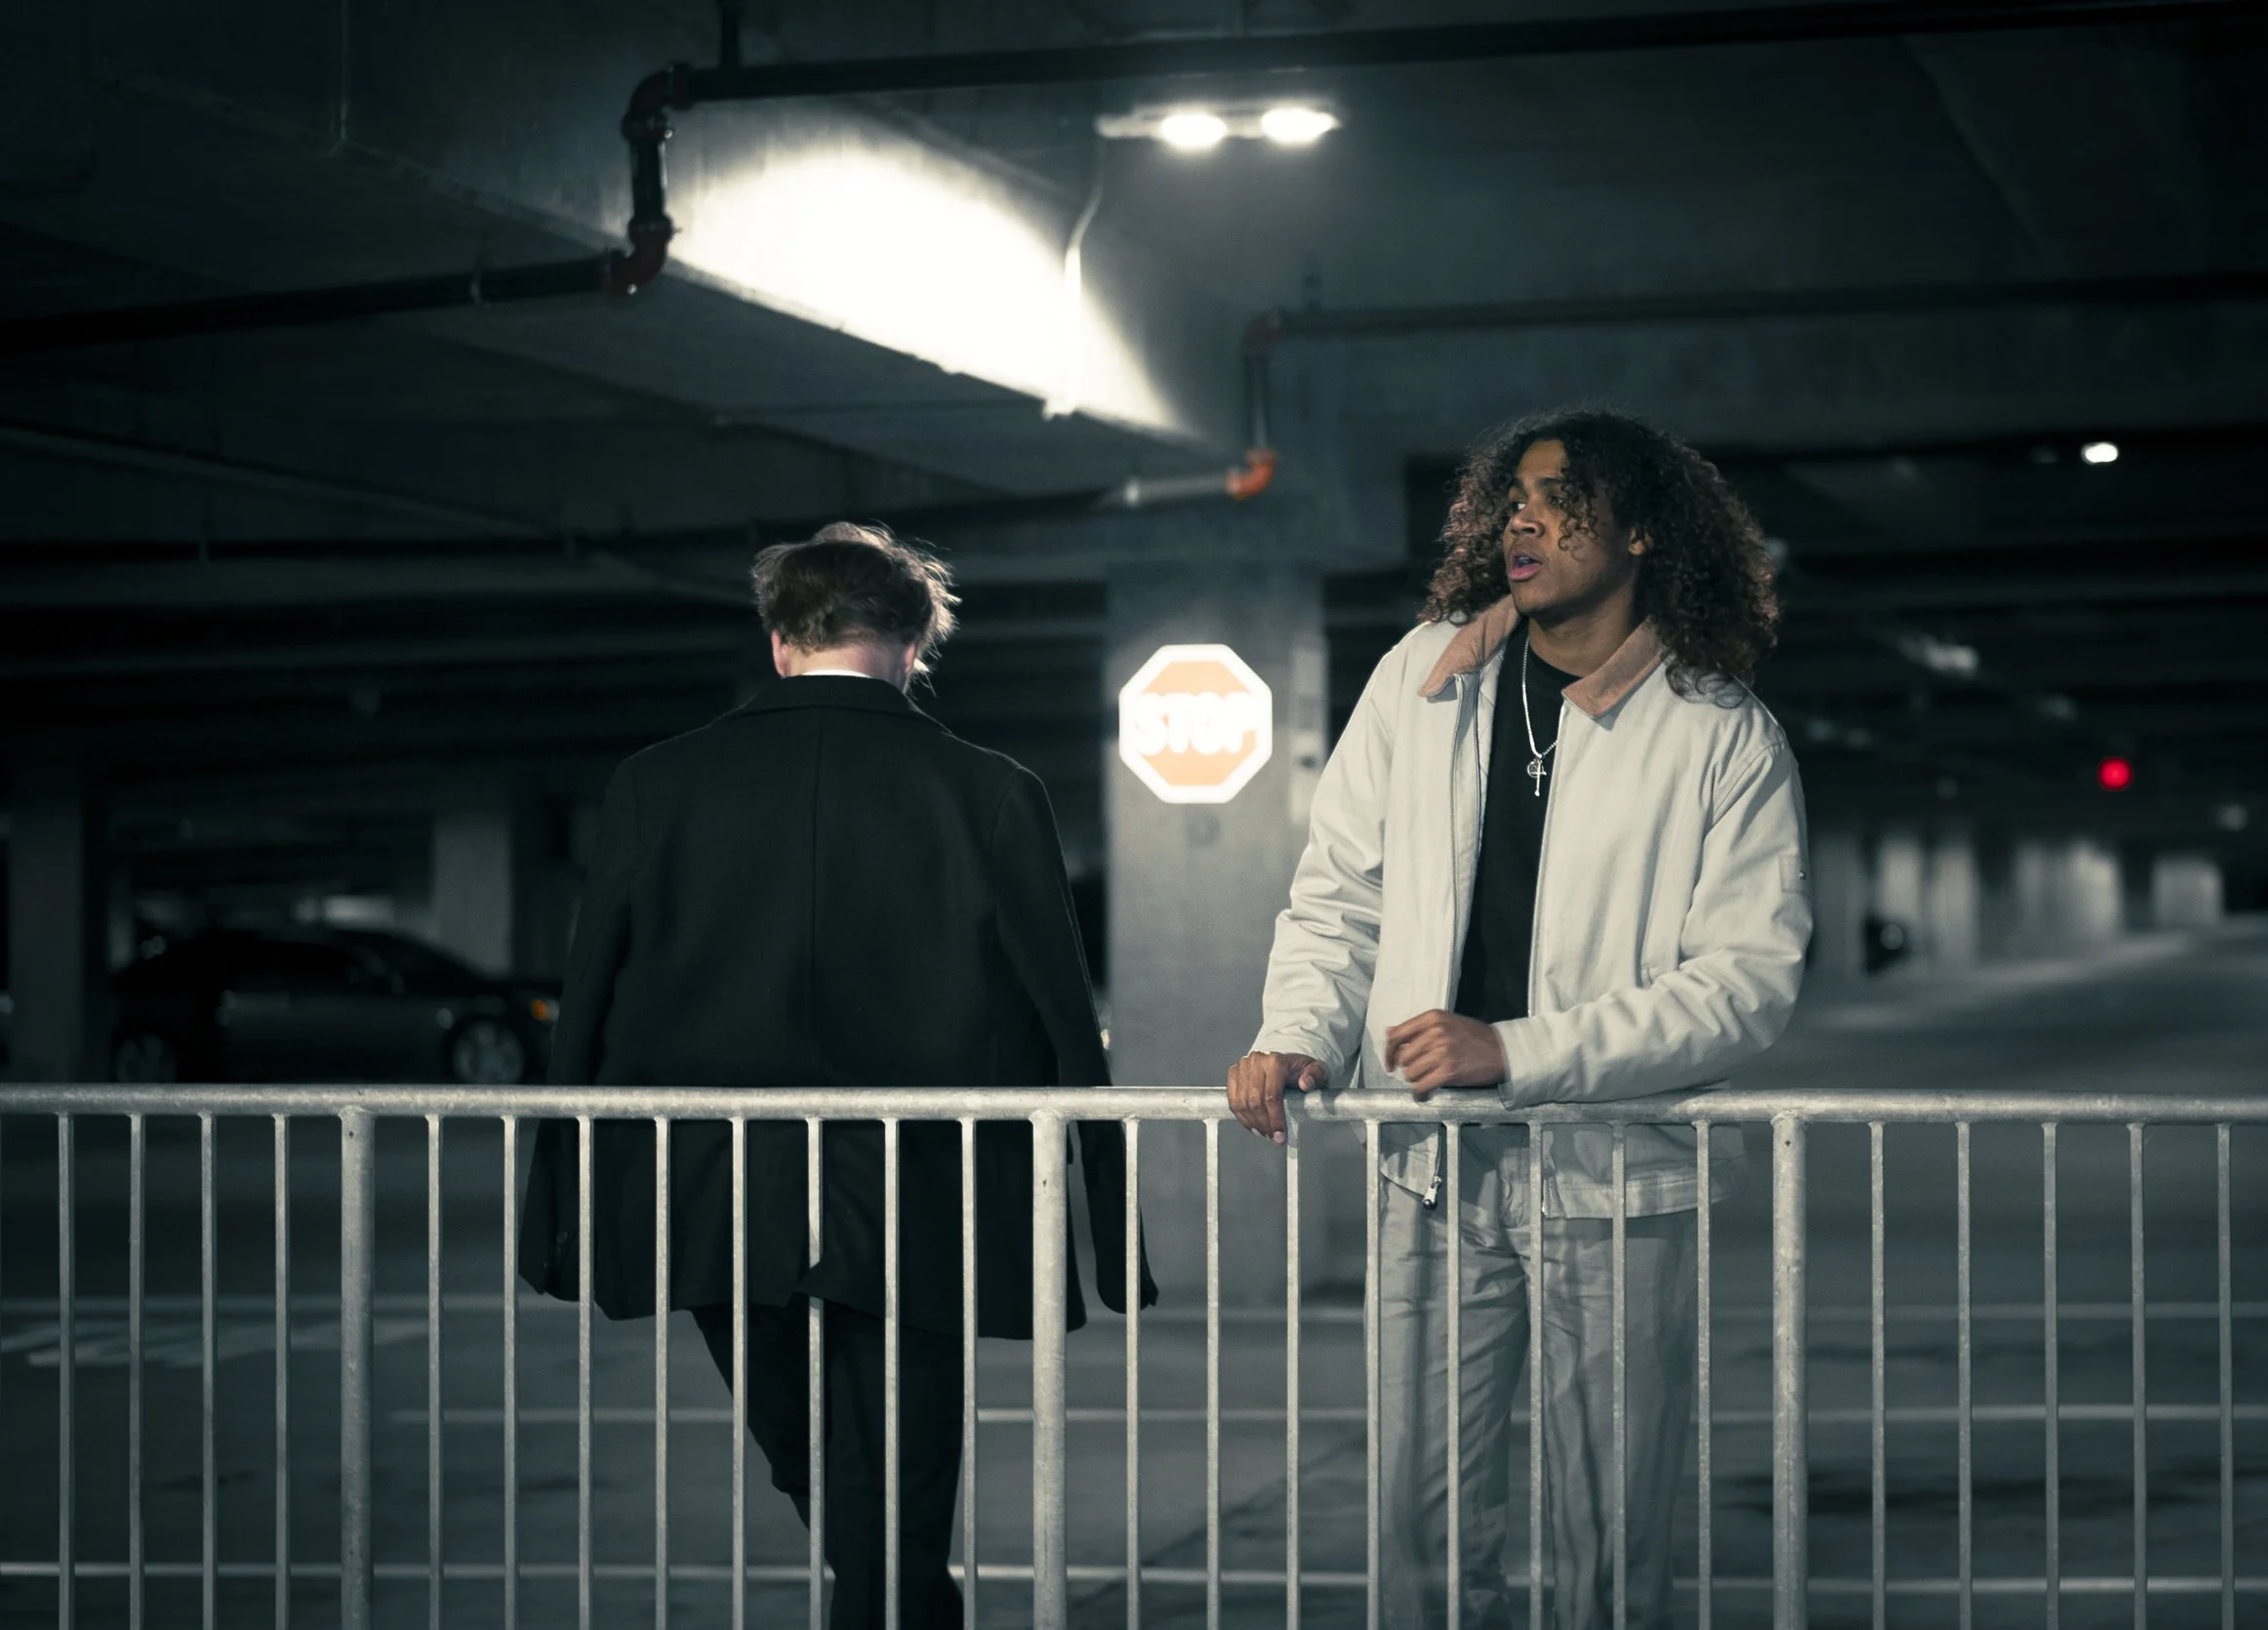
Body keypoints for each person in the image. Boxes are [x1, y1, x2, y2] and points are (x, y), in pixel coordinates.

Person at [1228, 410, 1810, 1627]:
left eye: (1562, 497)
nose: (1523, 520)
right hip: (1431, 1164)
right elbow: (1344, 888)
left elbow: (1744, 980)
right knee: (1417, 1508)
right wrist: (1300, 1027)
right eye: (1514, 498)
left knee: (1611, 1510)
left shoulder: (1719, 734)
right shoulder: (1424, 676)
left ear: (1645, 529)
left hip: (1614, 1174)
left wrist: (1519, 1050)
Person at [519, 522, 1150, 1629]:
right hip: (928, 1185)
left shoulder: (654, 784)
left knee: (807, 1449)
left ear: (777, 643)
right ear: (915, 642)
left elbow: (590, 1000)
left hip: (713, 1184)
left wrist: (558, 1206)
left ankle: (899, 1605)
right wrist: (1106, 1226)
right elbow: (1063, 1015)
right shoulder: (990, 789)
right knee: (902, 1464)